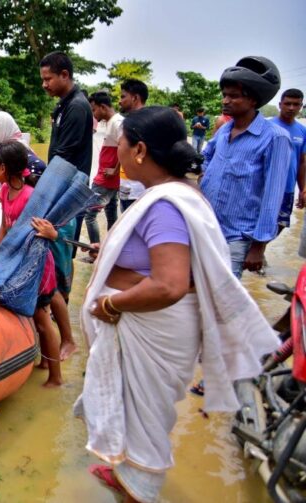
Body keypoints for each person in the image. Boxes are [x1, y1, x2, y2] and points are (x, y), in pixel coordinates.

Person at [76, 106, 279, 503]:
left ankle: (139, 488)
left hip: (156, 329)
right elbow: (171, 266)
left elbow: (169, 285)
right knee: (140, 415)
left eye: (120, 144)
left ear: (139, 151)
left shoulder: (165, 205)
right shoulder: (178, 195)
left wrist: (113, 304)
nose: (115, 153)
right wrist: (117, 251)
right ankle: (127, 475)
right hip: (160, 329)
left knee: (145, 423)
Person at [0, 111, 78, 361]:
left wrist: (49, 234)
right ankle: (47, 348)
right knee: (46, 297)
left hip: (47, 229)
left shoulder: (26, 165)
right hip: (24, 235)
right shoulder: (9, 174)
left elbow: (45, 208)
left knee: (51, 293)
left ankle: (67, 340)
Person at [200, 56, 290, 278]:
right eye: (224, 95)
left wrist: (259, 246)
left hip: (237, 237)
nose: (225, 101)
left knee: (223, 299)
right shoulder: (223, 131)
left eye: (234, 96)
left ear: (253, 101)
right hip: (207, 229)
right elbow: (205, 160)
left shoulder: (275, 138)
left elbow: (272, 195)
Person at [0, 140, 62, 387]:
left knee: (42, 319)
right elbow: (4, 227)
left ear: (4, 168)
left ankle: (56, 377)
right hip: (18, 263)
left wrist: (52, 234)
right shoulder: (4, 192)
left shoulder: (31, 198)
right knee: (35, 318)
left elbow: (47, 234)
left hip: (37, 269)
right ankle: (44, 362)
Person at [40, 51, 94, 259]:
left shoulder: (77, 107)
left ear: (64, 74)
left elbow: (64, 157)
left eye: (48, 79)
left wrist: (41, 185)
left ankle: (63, 290)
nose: (44, 84)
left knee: (62, 247)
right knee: (54, 246)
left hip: (69, 190)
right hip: (61, 186)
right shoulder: (63, 105)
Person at [83, 91, 124, 255]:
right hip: (109, 179)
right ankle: (111, 249)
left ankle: (95, 251)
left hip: (105, 180)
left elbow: (125, 145)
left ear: (103, 107)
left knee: (89, 213)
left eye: (94, 110)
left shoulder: (117, 122)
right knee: (111, 213)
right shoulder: (111, 122)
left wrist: (114, 170)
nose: (93, 114)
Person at [270, 88, 306, 231]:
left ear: (301, 107)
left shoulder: (302, 131)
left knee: (280, 225)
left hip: (288, 188)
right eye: (288, 104)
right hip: (266, 187)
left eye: (296, 104)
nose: (291, 108)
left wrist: (303, 189)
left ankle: (259, 251)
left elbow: (302, 162)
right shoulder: (268, 127)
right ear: (280, 105)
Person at [117, 79, 149, 212]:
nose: (120, 101)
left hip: (138, 191)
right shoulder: (127, 122)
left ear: (135, 98)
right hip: (125, 185)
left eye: (123, 96)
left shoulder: (147, 123)